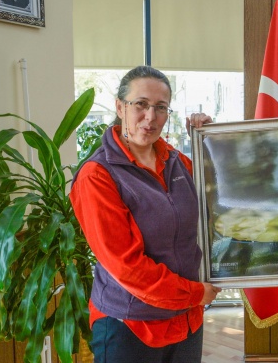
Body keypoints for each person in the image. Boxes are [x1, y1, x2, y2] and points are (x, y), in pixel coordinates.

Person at [70, 65, 221, 363]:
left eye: (160, 108)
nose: (150, 117)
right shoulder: (97, 175)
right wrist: (193, 294)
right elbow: (128, 268)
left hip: (187, 321)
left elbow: (221, 199)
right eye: (140, 104)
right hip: (130, 326)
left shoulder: (178, 163)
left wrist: (208, 139)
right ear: (119, 106)